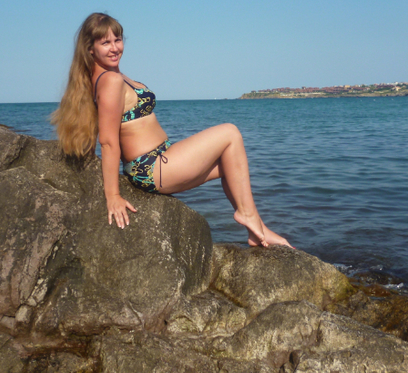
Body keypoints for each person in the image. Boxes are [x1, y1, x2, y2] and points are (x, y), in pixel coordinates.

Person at [52, 13, 291, 248]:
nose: (115, 48)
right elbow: (108, 141)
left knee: (232, 165)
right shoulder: (110, 81)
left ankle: (257, 230)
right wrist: (112, 196)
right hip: (150, 167)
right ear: (90, 49)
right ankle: (249, 218)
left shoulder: (109, 76)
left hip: (160, 159)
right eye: (105, 43)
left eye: (118, 40)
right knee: (230, 133)